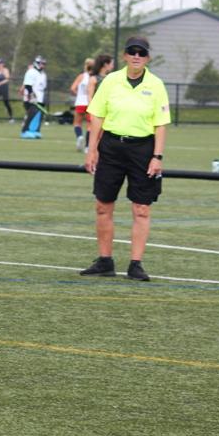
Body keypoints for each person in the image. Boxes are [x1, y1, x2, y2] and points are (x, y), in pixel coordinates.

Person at [80, 36, 168, 282]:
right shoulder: (110, 81)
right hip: (111, 147)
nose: (136, 56)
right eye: (132, 52)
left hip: (143, 149)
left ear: (148, 57)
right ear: (125, 55)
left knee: (141, 208)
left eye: (142, 52)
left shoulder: (156, 85)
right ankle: (105, 261)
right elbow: (97, 116)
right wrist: (92, 150)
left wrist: (157, 156)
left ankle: (135, 264)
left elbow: (161, 124)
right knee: (103, 205)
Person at [83, 54, 114, 151]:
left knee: (105, 130)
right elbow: (89, 95)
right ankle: (88, 147)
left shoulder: (110, 78)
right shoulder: (94, 78)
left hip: (108, 109)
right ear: (105, 64)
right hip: (96, 109)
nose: (112, 66)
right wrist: (92, 109)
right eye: (111, 63)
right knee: (92, 127)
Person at [20, 55, 48, 139]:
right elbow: (28, 85)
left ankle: (35, 131)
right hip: (31, 98)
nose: (43, 65)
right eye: (41, 63)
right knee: (32, 114)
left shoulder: (43, 74)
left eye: (44, 64)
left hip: (40, 98)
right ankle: (25, 131)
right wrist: (31, 95)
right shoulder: (31, 72)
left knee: (39, 115)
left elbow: (42, 87)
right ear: (37, 63)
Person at [70, 58, 94, 151]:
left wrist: (79, 94)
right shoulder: (94, 77)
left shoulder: (81, 76)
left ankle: (79, 136)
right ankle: (87, 146)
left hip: (80, 102)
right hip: (90, 103)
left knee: (77, 123)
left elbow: (72, 88)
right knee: (90, 125)